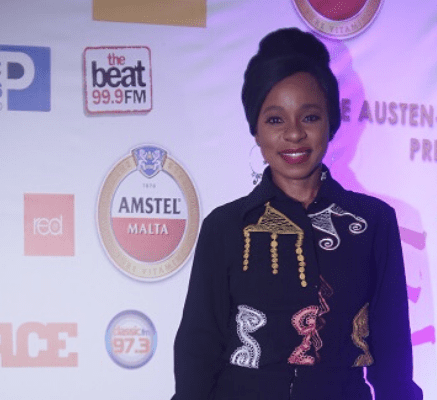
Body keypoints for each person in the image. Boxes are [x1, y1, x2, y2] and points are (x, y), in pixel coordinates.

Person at [171, 27, 423, 400]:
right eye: (275, 119)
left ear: (331, 122)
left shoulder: (373, 223)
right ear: (255, 130)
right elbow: (198, 346)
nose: (293, 134)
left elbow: (392, 348)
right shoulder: (225, 227)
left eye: (310, 117)